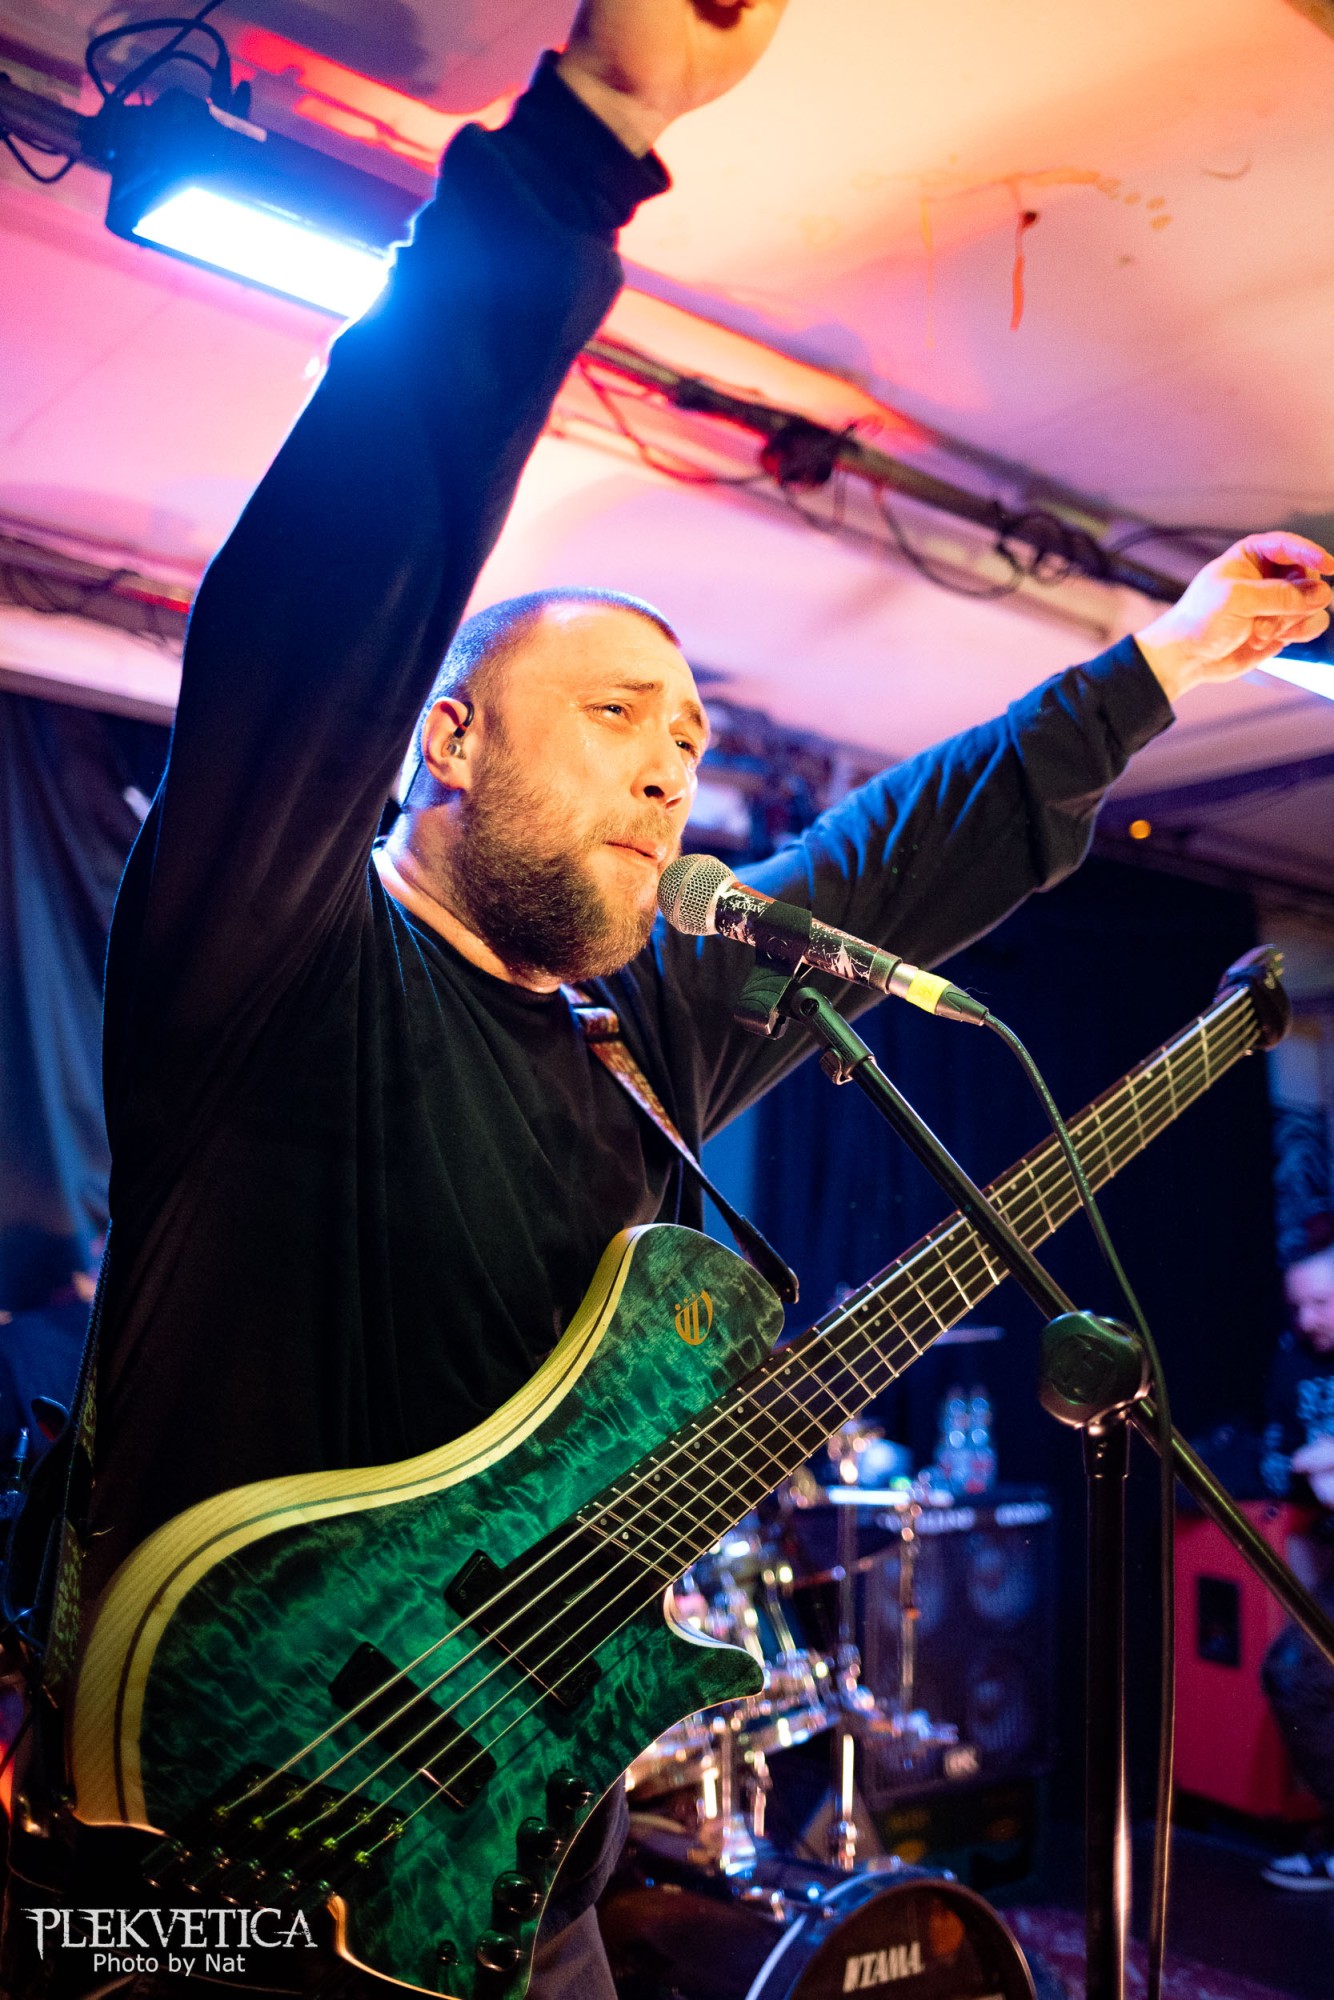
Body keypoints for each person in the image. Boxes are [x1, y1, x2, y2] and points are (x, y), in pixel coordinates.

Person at [18, 0, 1329, 1992]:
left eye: (694, 737)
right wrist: (585, 137)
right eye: (618, 713)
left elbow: (888, 861)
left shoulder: (642, 1033)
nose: (671, 767)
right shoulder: (275, 951)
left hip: (518, 1888)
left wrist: (1154, 668)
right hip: (180, 1887)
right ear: (444, 738)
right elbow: (325, 592)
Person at [1261, 1214, 1334, 1890]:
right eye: (1299, 1305)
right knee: (1291, 1675)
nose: (1308, 1319)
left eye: (1323, 1303)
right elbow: (1281, 1460)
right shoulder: (1294, 1360)